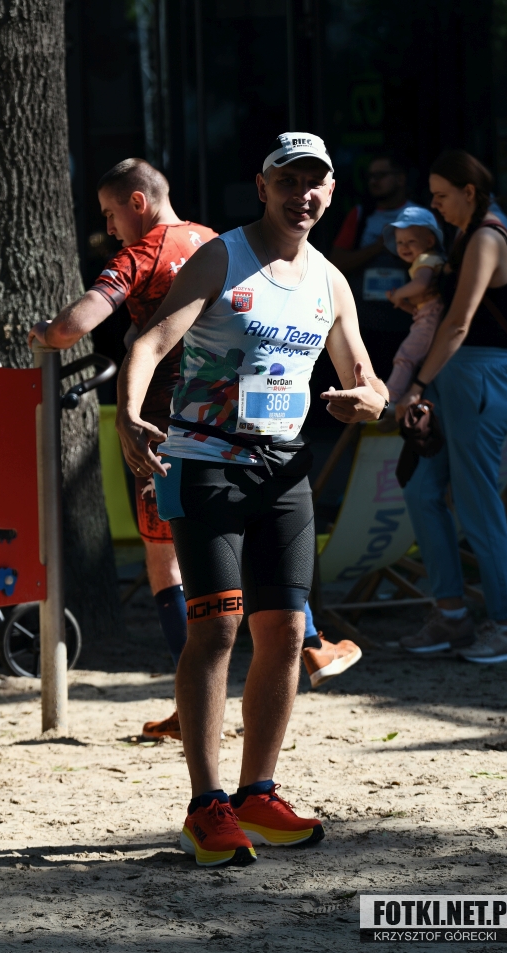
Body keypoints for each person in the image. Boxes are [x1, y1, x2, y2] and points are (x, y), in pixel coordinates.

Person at [116, 132, 389, 867]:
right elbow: (149, 343)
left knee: (285, 633)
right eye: (288, 181)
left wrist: (368, 401)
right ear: (262, 188)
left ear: (330, 192)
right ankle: (204, 807)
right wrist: (129, 413)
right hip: (205, 461)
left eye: (315, 182)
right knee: (216, 629)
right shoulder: (222, 256)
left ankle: (256, 794)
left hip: (283, 472)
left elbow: (367, 379)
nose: (303, 194)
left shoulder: (330, 281)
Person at [28, 158, 217, 740]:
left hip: (161, 420)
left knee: (164, 558)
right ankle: (309, 641)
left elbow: (76, 325)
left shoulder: (141, 255)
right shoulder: (215, 242)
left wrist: (46, 333)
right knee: (247, 531)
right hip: (226, 411)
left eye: (111, 214)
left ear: (138, 202)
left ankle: (192, 705)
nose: (109, 229)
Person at [396, 150, 507, 666]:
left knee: (476, 503)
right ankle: (451, 614)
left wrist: (416, 384)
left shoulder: (487, 235)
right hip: (457, 375)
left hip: (476, 374)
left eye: (441, 195)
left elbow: (458, 323)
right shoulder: (467, 233)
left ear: (469, 192)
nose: (434, 204)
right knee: (422, 490)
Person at [329, 152, 414, 380]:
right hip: (364, 326)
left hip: (409, 325)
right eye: (370, 176)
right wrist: (377, 248)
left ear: (401, 178)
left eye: (381, 175)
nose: (374, 181)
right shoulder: (360, 215)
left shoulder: (419, 216)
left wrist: (400, 251)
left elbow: (435, 269)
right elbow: (336, 263)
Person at [380, 207, 445, 409]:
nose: (404, 247)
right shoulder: (428, 260)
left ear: (429, 242)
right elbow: (419, 310)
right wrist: (404, 304)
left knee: (406, 356)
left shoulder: (426, 260)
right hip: (428, 315)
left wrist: (399, 294)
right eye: (400, 242)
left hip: (430, 316)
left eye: (411, 241)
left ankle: (391, 397)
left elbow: (421, 285)